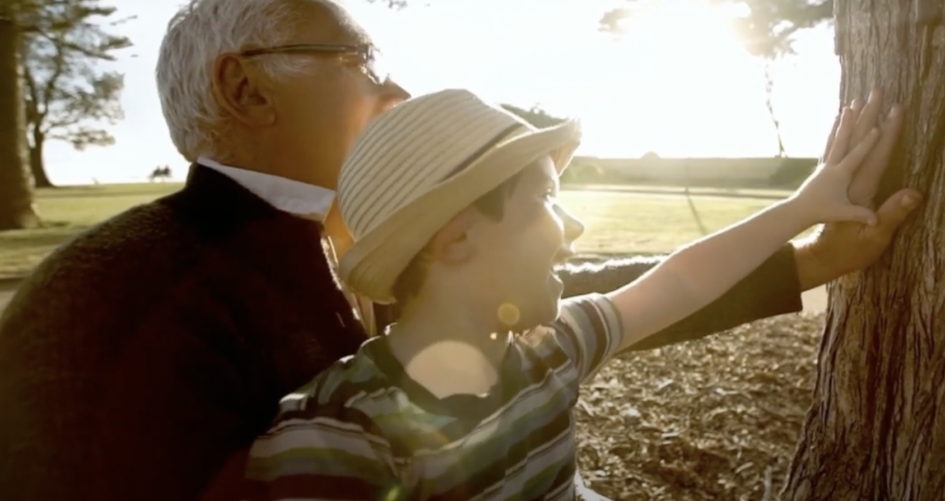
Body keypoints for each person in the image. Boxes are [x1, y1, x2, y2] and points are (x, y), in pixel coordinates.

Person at [0, 0, 921, 501]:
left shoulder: (349, 242)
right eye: (361, 61)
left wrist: (801, 256)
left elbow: (568, 296)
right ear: (248, 90)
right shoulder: (115, 291)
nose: (392, 92)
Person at [241, 88, 889, 501]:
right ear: (458, 239)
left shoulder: (550, 348)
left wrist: (802, 207)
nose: (573, 226)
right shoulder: (339, 435)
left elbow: (681, 280)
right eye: (548, 199)